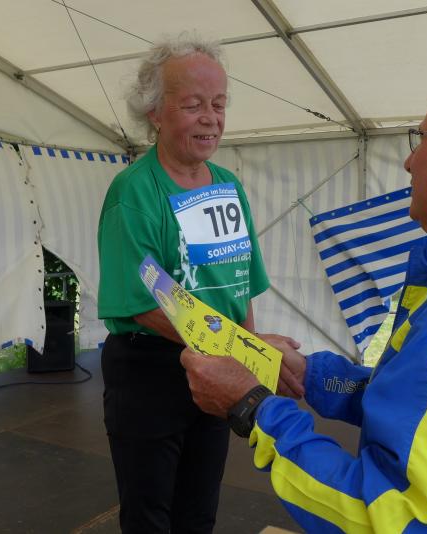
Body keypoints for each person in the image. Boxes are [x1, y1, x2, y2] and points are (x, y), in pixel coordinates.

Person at [180, 72, 427, 533]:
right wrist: (311, 375)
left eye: (420, 139)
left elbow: (390, 520)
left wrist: (253, 408)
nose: (409, 162)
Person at [96, 36, 278, 533]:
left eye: (219, 104)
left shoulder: (228, 185)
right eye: (194, 104)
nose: (210, 118)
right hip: (151, 369)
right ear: (155, 112)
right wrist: (238, 349)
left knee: (199, 510)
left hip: (217, 362)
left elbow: (242, 283)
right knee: (150, 515)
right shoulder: (134, 192)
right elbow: (144, 303)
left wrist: (246, 353)